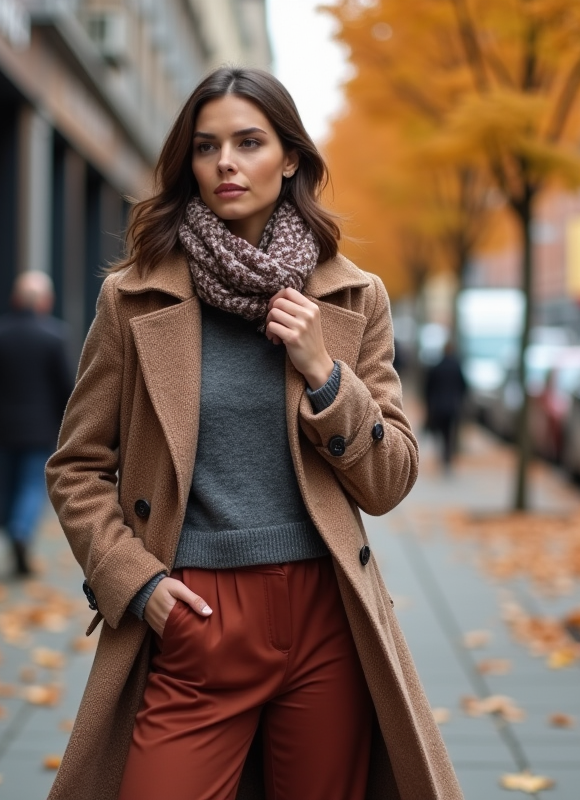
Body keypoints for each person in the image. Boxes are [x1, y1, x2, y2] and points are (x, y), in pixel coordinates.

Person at [45, 67, 463, 800]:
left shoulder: (353, 296)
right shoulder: (134, 296)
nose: (226, 164)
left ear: (290, 157)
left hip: (328, 613)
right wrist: (138, 585)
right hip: (196, 611)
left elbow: (390, 479)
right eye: (207, 147)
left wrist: (324, 373)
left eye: (249, 142)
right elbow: (77, 464)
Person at [0, 271, 73, 577]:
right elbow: (67, 388)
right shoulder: (54, 336)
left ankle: (13, 536)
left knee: (8, 488)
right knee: (30, 486)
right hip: (40, 430)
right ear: (45, 302)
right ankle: (21, 530)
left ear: (15, 300)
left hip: (3, 429)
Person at [424, 340, 468, 473]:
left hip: (437, 406)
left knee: (439, 432)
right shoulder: (457, 367)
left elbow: (428, 387)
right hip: (452, 406)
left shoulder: (436, 366)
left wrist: (429, 403)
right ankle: (447, 458)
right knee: (448, 433)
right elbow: (464, 386)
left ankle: (441, 456)